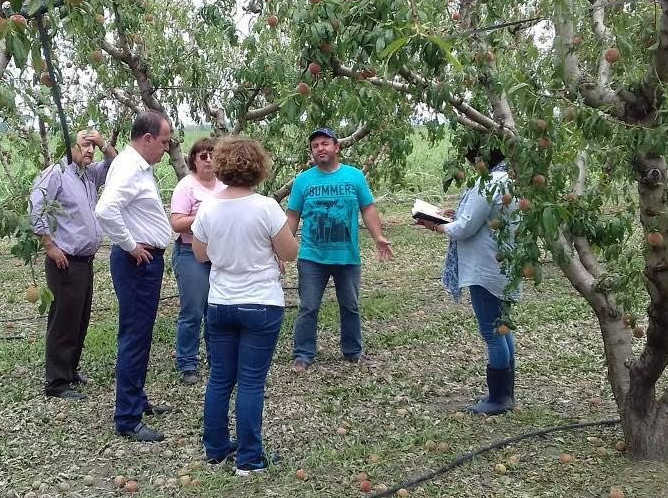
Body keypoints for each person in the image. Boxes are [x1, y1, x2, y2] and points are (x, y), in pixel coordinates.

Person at [190, 136, 299, 475]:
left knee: (220, 378)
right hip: (260, 303)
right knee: (251, 381)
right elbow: (289, 253)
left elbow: (200, 254)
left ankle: (216, 449)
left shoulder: (208, 206)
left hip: (221, 302)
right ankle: (249, 459)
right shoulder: (266, 207)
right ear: (258, 167)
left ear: (221, 166)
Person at [417, 146, 519, 415]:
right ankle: (506, 393)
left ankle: (498, 398)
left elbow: (465, 228)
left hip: (486, 266)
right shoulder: (511, 178)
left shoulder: (489, 182)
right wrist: (455, 214)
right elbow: (483, 217)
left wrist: (436, 225)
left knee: (492, 332)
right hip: (506, 263)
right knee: (503, 326)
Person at [95, 110, 175, 442]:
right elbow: (104, 210)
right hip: (138, 262)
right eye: (165, 141)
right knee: (134, 336)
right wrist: (130, 246)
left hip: (143, 260)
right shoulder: (130, 168)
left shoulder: (135, 165)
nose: (167, 148)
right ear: (147, 139)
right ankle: (127, 418)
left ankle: (137, 400)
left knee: (139, 333)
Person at [286, 128, 393, 372]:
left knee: (350, 305)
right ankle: (303, 354)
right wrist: (282, 249)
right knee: (308, 306)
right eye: (315, 146)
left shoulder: (354, 177)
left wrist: (378, 236)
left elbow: (368, 208)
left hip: (347, 255)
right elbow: (292, 216)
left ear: (337, 147)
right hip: (312, 256)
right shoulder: (303, 181)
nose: (320, 148)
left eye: (325, 143)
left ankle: (353, 351)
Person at [29, 128, 117, 400]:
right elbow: (36, 206)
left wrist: (103, 143)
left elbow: (115, 164)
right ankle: (56, 382)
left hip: (84, 261)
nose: (89, 150)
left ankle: (70, 370)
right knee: (64, 320)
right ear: (70, 148)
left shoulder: (88, 175)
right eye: (84, 145)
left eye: (92, 146)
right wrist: (49, 245)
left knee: (79, 319)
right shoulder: (57, 173)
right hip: (65, 260)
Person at [170, 138, 226, 385]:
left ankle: (217, 359)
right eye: (202, 155)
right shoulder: (186, 187)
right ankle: (187, 362)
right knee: (192, 310)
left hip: (219, 253)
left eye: (212, 154)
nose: (208, 159)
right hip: (190, 251)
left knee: (216, 308)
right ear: (193, 159)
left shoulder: (224, 185)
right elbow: (177, 223)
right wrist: (204, 217)